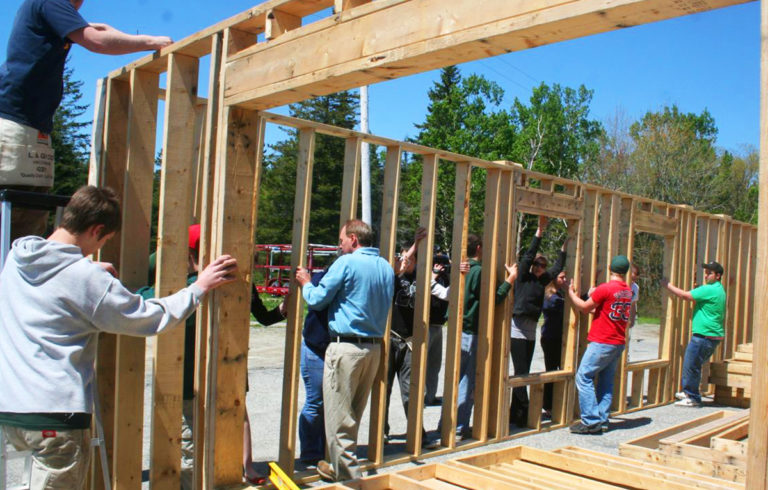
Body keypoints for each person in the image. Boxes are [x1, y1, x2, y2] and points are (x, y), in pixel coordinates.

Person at [0, 186, 237, 489]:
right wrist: (199, 287)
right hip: (56, 414)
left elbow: (58, 283)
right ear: (97, 229)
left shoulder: (18, 256)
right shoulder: (85, 278)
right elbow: (150, 318)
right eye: (104, 240)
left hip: (12, 408)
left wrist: (86, 269)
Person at [0, 0, 172, 238]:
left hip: (30, 128)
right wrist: (152, 42)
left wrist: (137, 37)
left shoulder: (46, 8)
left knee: (29, 218)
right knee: (13, 219)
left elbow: (99, 29)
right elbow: (96, 40)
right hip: (16, 125)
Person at [138, 225, 284, 486]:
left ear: (190, 252)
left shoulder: (180, 290)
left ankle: (243, 467)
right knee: (202, 435)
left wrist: (283, 310)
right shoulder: (184, 286)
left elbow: (263, 317)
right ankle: (229, 472)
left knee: (203, 437)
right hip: (201, 374)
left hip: (215, 372)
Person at [295, 219, 394, 482]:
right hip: (373, 349)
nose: (339, 246)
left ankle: (351, 482)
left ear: (353, 239)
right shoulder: (385, 266)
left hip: (346, 347)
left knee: (339, 423)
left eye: (341, 241)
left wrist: (306, 282)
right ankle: (335, 468)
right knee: (352, 417)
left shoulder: (346, 263)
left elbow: (316, 300)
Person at [450, 234, 517, 440]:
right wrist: (510, 280)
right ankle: (459, 427)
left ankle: (448, 426)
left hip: (457, 330)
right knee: (466, 382)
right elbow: (493, 299)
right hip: (470, 332)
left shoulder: (462, 268)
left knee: (454, 379)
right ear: (479, 248)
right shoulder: (477, 272)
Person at [383, 228, 439, 449]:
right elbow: (401, 263)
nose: (409, 262)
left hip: (410, 342)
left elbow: (445, 289)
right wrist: (414, 244)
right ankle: (381, 432)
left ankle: (418, 434)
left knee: (411, 391)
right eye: (406, 257)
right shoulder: (391, 277)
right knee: (383, 389)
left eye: (414, 259)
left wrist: (460, 271)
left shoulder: (422, 278)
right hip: (390, 339)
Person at [510, 216, 566, 427]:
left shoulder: (542, 280)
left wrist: (564, 249)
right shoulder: (524, 276)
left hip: (531, 331)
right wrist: (539, 231)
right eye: (537, 264)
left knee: (521, 373)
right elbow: (528, 254)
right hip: (517, 330)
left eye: (542, 265)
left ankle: (515, 413)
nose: (540, 267)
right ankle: (523, 413)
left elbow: (557, 267)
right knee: (521, 373)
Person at [567, 255, 632, 434]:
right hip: (617, 342)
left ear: (610, 267)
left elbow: (585, 307)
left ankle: (590, 421)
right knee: (606, 381)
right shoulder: (627, 291)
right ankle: (602, 419)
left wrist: (571, 293)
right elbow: (606, 309)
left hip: (603, 341)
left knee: (583, 377)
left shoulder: (606, 288)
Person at [662, 261, 726, 407]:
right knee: (694, 364)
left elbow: (686, 296)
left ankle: (693, 397)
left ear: (718, 276)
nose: (706, 275)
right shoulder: (718, 289)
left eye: (709, 273)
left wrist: (668, 285)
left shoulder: (709, 289)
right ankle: (688, 392)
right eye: (706, 272)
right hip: (711, 336)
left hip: (704, 336)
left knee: (691, 365)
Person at [298, 269, 330, 467]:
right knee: (315, 402)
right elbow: (315, 300)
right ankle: (310, 453)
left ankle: (324, 450)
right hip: (315, 347)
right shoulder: (321, 278)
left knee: (331, 403)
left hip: (333, 348)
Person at [540, 271, 567, 417]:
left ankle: (558, 403)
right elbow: (563, 306)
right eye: (561, 277)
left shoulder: (561, 294)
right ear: (554, 280)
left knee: (560, 369)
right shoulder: (550, 297)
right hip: (550, 338)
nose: (565, 279)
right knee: (551, 370)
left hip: (559, 338)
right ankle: (548, 405)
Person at [425, 253, 450, 406]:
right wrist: (433, 275)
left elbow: (448, 293)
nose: (441, 266)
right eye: (437, 262)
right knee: (421, 364)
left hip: (438, 324)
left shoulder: (446, 276)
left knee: (434, 364)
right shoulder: (425, 274)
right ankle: (418, 397)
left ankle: (430, 396)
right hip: (425, 324)